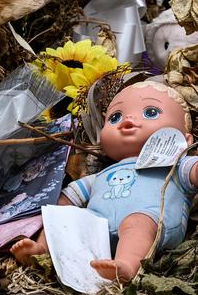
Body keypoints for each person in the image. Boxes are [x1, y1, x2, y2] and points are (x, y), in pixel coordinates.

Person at [11, 82, 198, 282]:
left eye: (151, 112)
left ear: (186, 140)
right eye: (115, 117)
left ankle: (128, 265)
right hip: (96, 227)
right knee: (64, 218)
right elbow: (69, 195)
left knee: (137, 222)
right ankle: (43, 252)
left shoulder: (177, 166)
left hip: (153, 222)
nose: (127, 120)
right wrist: (59, 211)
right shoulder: (102, 174)